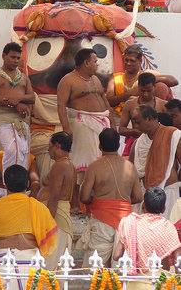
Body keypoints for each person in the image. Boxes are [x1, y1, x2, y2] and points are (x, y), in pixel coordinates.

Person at [0, 165, 57, 290]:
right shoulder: (38, 207)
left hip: (6, 260)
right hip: (31, 260)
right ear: (28, 183)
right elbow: (50, 235)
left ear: (5, 184)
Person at [78, 128, 143, 267]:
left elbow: (84, 197)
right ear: (118, 145)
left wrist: (98, 202)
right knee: (121, 272)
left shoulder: (95, 167)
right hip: (125, 222)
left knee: (94, 270)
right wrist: (122, 203)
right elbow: (138, 196)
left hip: (101, 222)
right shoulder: (130, 167)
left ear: (100, 145)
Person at [57, 48, 112, 203]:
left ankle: (95, 202)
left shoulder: (95, 79)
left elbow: (104, 101)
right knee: (79, 166)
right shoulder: (68, 80)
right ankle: (76, 203)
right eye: (94, 61)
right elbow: (61, 105)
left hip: (102, 124)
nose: (97, 64)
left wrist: (112, 123)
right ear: (86, 62)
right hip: (82, 126)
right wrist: (67, 129)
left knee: (99, 165)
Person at [114, 188, 181, 286]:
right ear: (164, 208)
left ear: (143, 205)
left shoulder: (130, 224)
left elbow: (116, 255)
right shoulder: (168, 227)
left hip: (135, 282)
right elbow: (178, 261)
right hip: (160, 282)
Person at [0, 42, 34, 170]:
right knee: (12, 150)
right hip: (4, 118)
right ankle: (9, 184)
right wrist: (15, 104)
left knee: (23, 152)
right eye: (13, 57)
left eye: (18, 58)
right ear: (3, 56)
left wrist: (18, 100)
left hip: (23, 119)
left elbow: (32, 97)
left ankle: (20, 186)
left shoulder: (24, 77)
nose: (16, 61)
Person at [130, 105, 181, 218]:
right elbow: (131, 171)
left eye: (138, 122)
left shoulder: (173, 135)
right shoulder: (138, 143)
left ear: (150, 119)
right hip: (146, 196)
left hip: (169, 194)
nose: (135, 126)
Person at [37, 132, 76, 270]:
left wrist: (48, 221)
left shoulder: (60, 165)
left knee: (51, 260)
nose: (48, 150)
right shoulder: (68, 164)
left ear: (57, 146)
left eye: (50, 146)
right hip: (59, 212)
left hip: (56, 215)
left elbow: (55, 195)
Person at [106, 44, 177, 116]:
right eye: (126, 60)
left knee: (161, 86)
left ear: (140, 60)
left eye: (132, 61)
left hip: (144, 116)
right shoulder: (115, 77)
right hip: (120, 116)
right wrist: (128, 94)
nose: (128, 63)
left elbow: (173, 81)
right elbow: (108, 101)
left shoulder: (147, 74)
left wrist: (149, 79)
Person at [119, 72, 167, 156]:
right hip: (136, 145)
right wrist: (134, 132)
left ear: (154, 87)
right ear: (138, 87)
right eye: (142, 90)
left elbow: (169, 128)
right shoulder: (130, 104)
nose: (145, 94)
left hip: (158, 145)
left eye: (149, 90)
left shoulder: (163, 105)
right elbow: (121, 129)